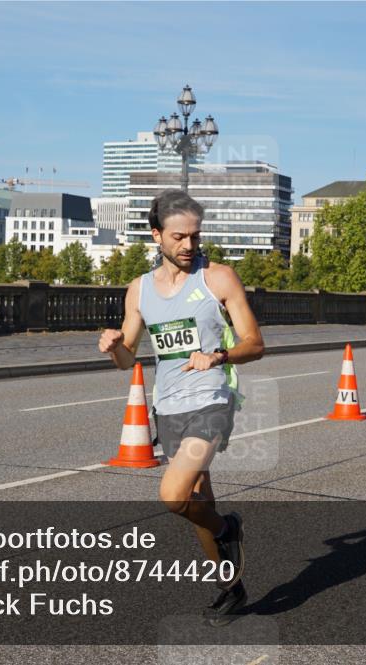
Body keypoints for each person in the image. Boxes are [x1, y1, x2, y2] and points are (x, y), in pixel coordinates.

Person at [98, 189, 265, 626]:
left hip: (211, 399)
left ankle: (228, 528)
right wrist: (114, 346)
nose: (189, 245)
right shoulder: (139, 290)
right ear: (157, 235)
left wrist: (219, 356)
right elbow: (128, 359)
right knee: (196, 500)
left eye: (195, 236)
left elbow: (255, 344)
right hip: (168, 404)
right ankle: (231, 587)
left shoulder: (219, 278)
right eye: (178, 237)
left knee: (173, 495)